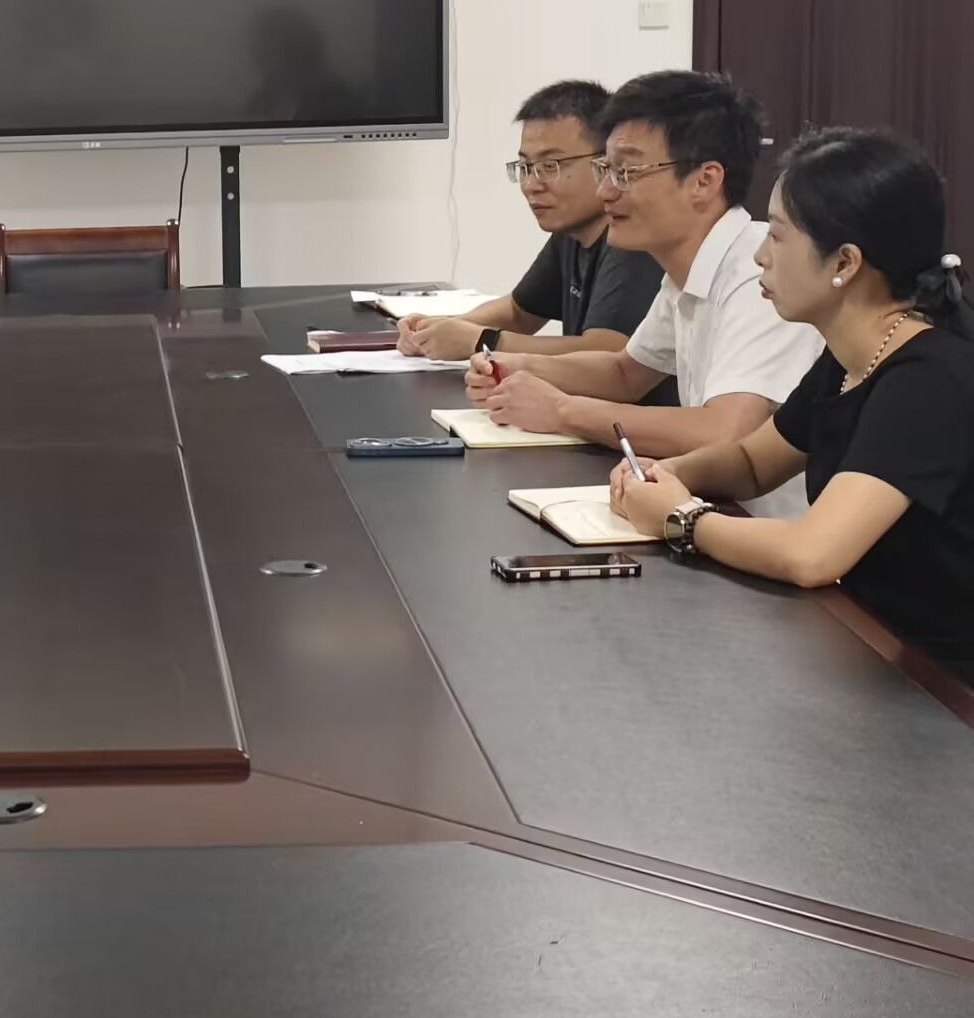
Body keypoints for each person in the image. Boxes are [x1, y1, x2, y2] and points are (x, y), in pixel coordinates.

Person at [611, 130, 974, 676]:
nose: (760, 255)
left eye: (778, 237)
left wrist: (682, 518)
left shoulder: (928, 381)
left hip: (937, 689)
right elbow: (753, 463)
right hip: (863, 646)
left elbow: (813, 554)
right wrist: (671, 473)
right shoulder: (852, 354)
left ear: (845, 262)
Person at [464, 71, 824, 511]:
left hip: (763, 530)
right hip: (706, 510)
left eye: (626, 172)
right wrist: (518, 366)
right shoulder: (685, 270)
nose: (605, 191)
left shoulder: (758, 274)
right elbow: (625, 372)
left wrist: (561, 410)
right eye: (606, 170)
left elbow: (728, 432)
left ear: (704, 180)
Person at [399, 80, 666, 365]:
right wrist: (441, 329)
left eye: (550, 166)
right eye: (526, 167)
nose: (530, 185)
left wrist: (483, 341)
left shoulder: (633, 237)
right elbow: (519, 312)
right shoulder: (572, 231)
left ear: (606, 162)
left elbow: (607, 352)